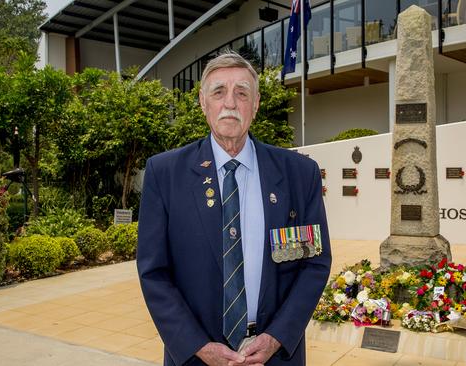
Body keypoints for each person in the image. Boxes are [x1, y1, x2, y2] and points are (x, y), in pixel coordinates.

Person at [137, 51, 332, 366]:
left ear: (255, 104)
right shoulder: (165, 174)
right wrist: (198, 345)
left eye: (241, 93)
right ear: (203, 103)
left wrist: (277, 337)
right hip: (196, 357)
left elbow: (315, 263)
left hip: (276, 356)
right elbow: (153, 273)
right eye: (218, 92)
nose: (230, 103)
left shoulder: (299, 174)